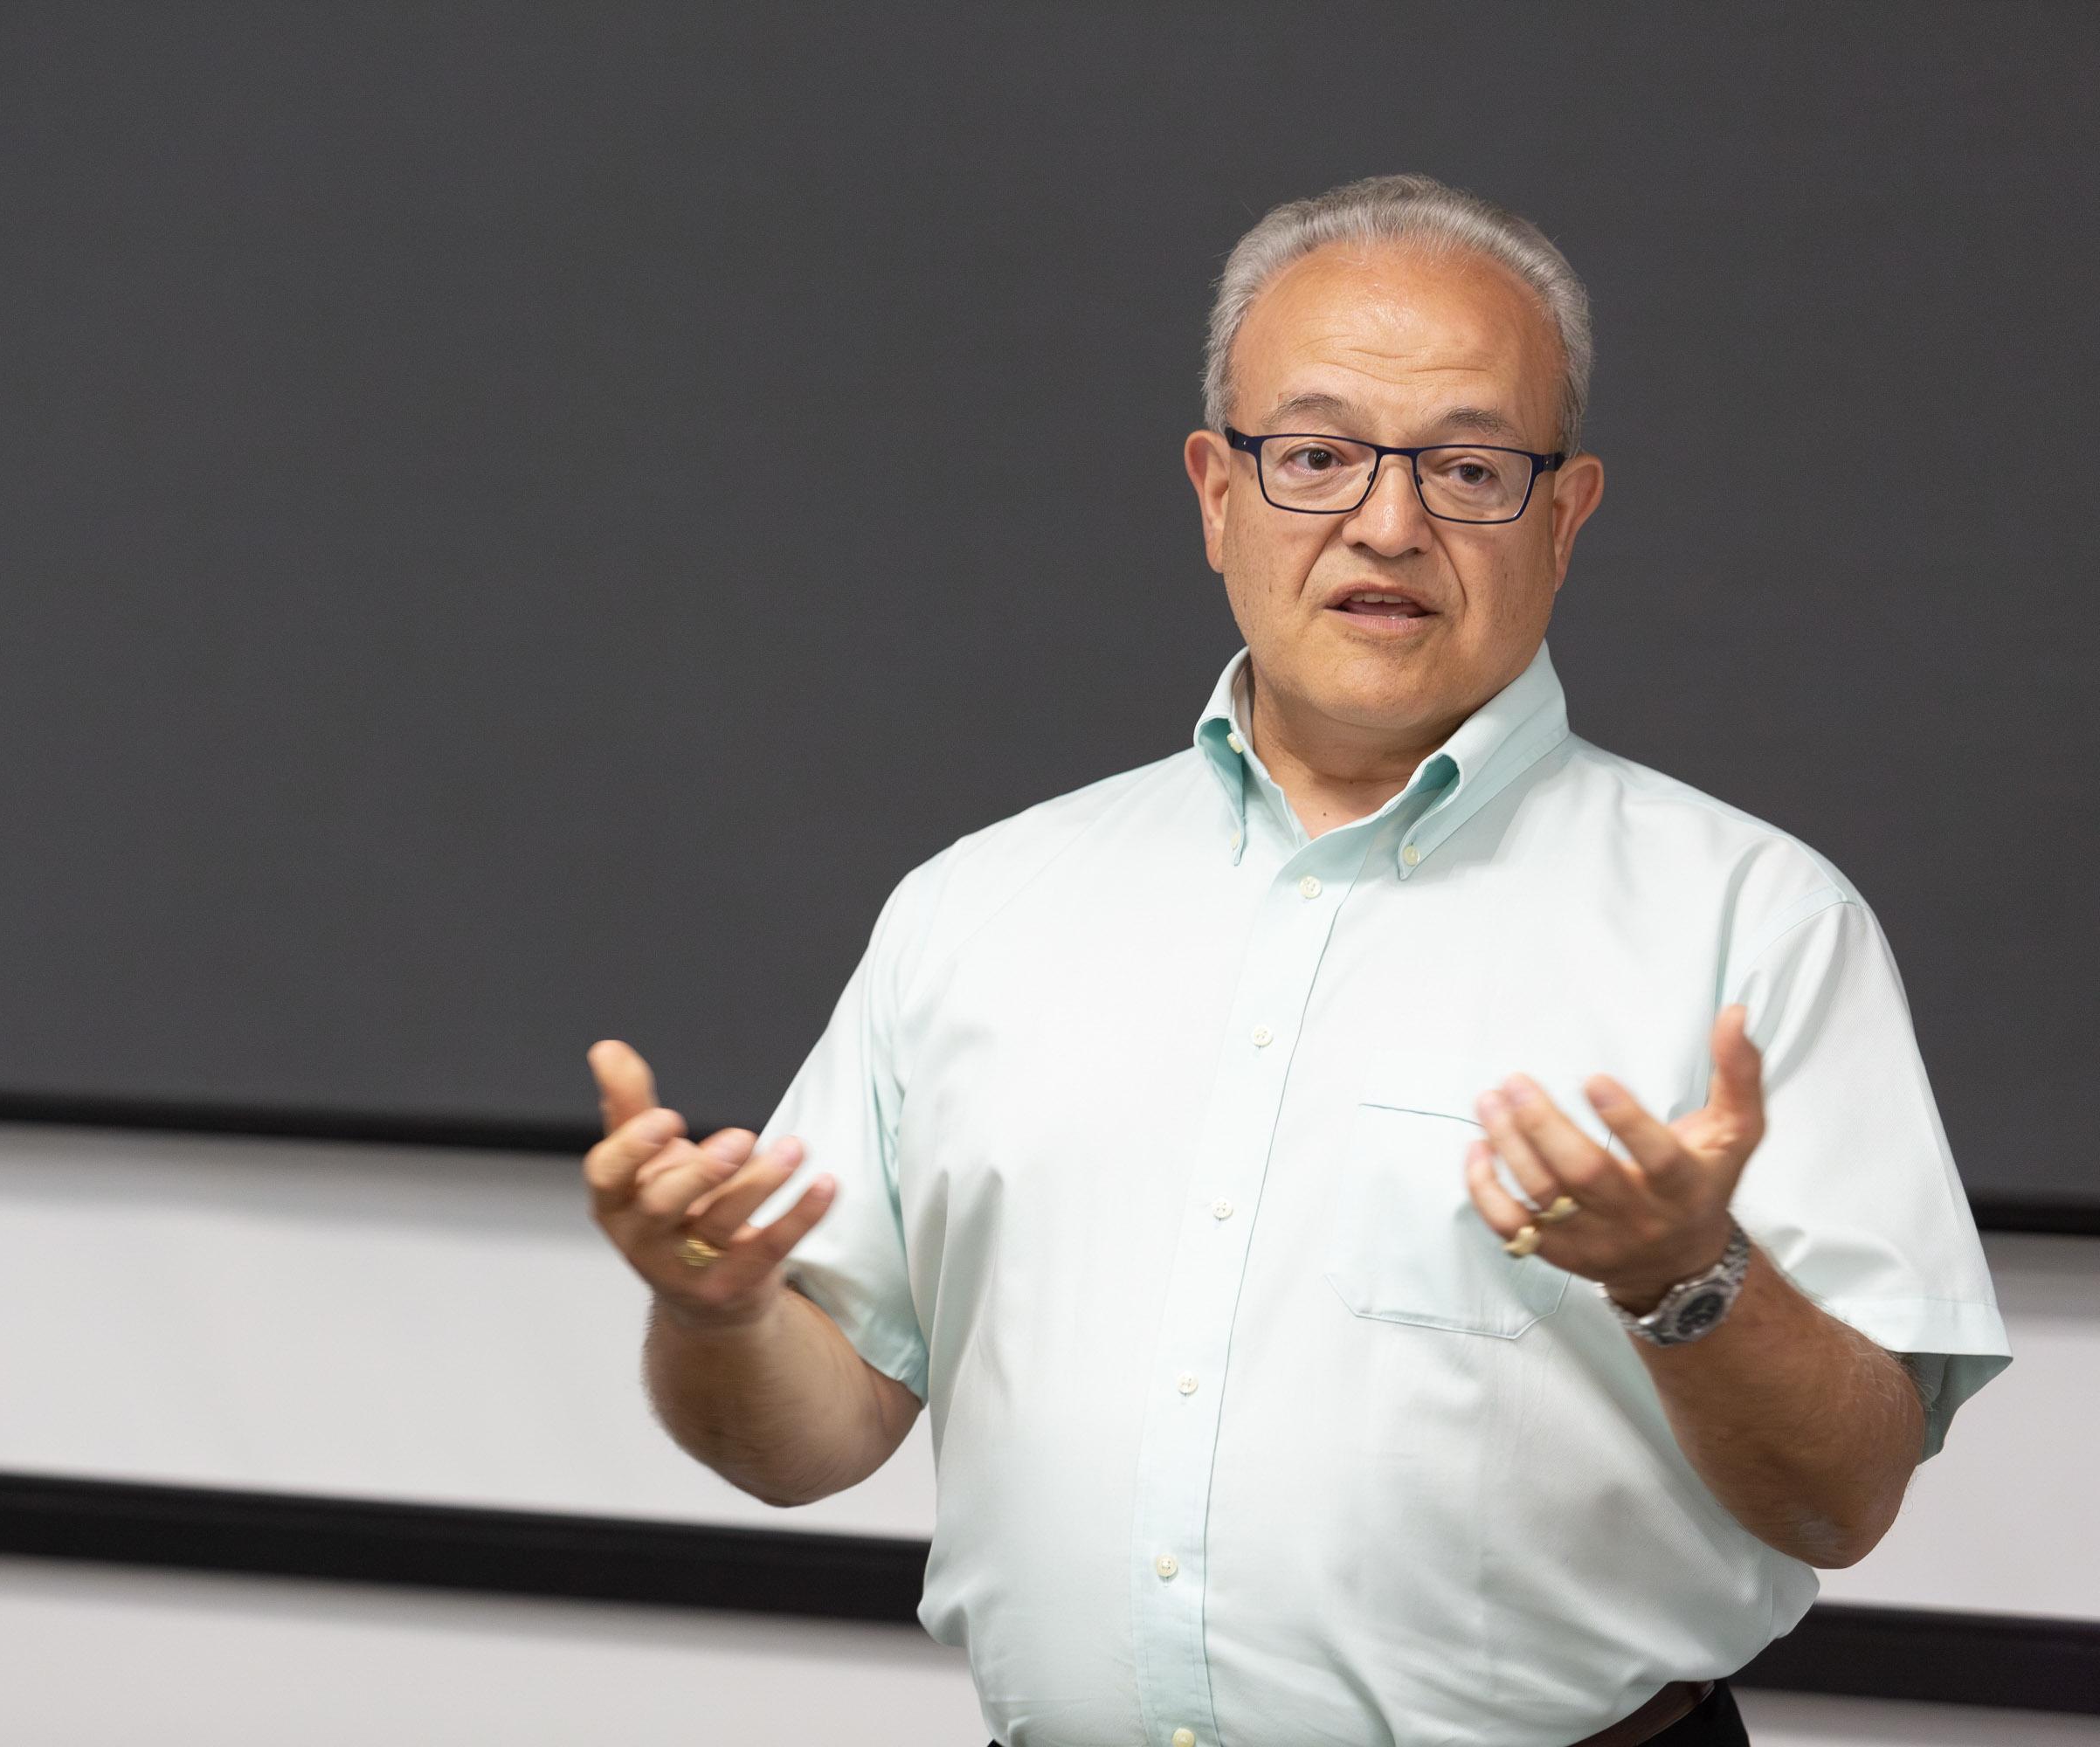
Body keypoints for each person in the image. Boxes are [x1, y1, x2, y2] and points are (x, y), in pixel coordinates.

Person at [583, 173, 2010, 1747]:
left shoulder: (1755, 922)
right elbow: (811, 1438)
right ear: (1214, 492)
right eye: (1316, 456)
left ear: (1565, 512)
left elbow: (1846, 1493)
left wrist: (1688, 1273)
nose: (1386, 525)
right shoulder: (977, 909)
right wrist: (713, 1315)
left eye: (1469, 466)